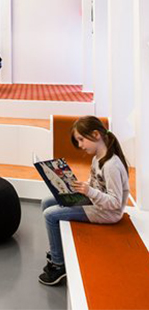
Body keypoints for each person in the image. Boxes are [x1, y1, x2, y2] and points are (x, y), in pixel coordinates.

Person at [39, 116, 130, 286]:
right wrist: (79, 187)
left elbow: (115, 203)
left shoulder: (111, 165)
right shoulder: (97, 158)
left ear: (96, 134)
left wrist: (89, 191)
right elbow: (95, 183)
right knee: (47, 202)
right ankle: (57, 250)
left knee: (50, 215)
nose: (80, 145)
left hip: (106, 213)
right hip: (96, 202)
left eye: (81, 139)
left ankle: (58, 264)